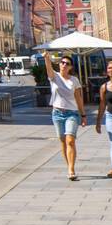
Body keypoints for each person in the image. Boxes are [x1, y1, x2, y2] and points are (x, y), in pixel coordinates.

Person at [44, 51, 85, 180]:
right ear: (59, 64)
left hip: (72, 113)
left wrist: (83, 115)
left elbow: (78, 98)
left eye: (67, 63)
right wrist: (47, 59)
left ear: (70, 67)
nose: (64, 65)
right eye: (62, 62)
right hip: (57, 113)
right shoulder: (54, 77)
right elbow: (49, 69)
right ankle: (69, 166)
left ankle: (72, 170)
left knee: (70, 140)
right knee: (63, 142)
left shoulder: (74, 80)